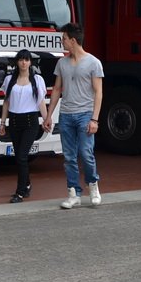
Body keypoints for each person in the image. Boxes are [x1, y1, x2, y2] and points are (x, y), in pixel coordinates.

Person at [43, 23, 104, 209]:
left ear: (73, 40)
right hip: (66, 115)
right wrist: (48, 115)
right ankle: (73, 193)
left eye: (64, 39)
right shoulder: (61, 63)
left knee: (86, 153)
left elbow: (99, 92)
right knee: (69, 157)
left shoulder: (93, 62)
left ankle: (93, 185)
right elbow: (56, 90)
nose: (62, 41)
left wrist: (94, 119)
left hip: (85, 114)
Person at [0, 50, 48, 203]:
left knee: (22, 156)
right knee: (19, 157)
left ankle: (20, 192)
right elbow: (6, 102)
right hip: (14, 121)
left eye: (26, 60)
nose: (24, 63)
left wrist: (46, 119)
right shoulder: (9, 80)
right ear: (17, 62)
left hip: (30, 121)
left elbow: (40, 101)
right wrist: (2, 122)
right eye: (21, 60)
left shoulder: (37, 80)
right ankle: (26, 184)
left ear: (30, 62)